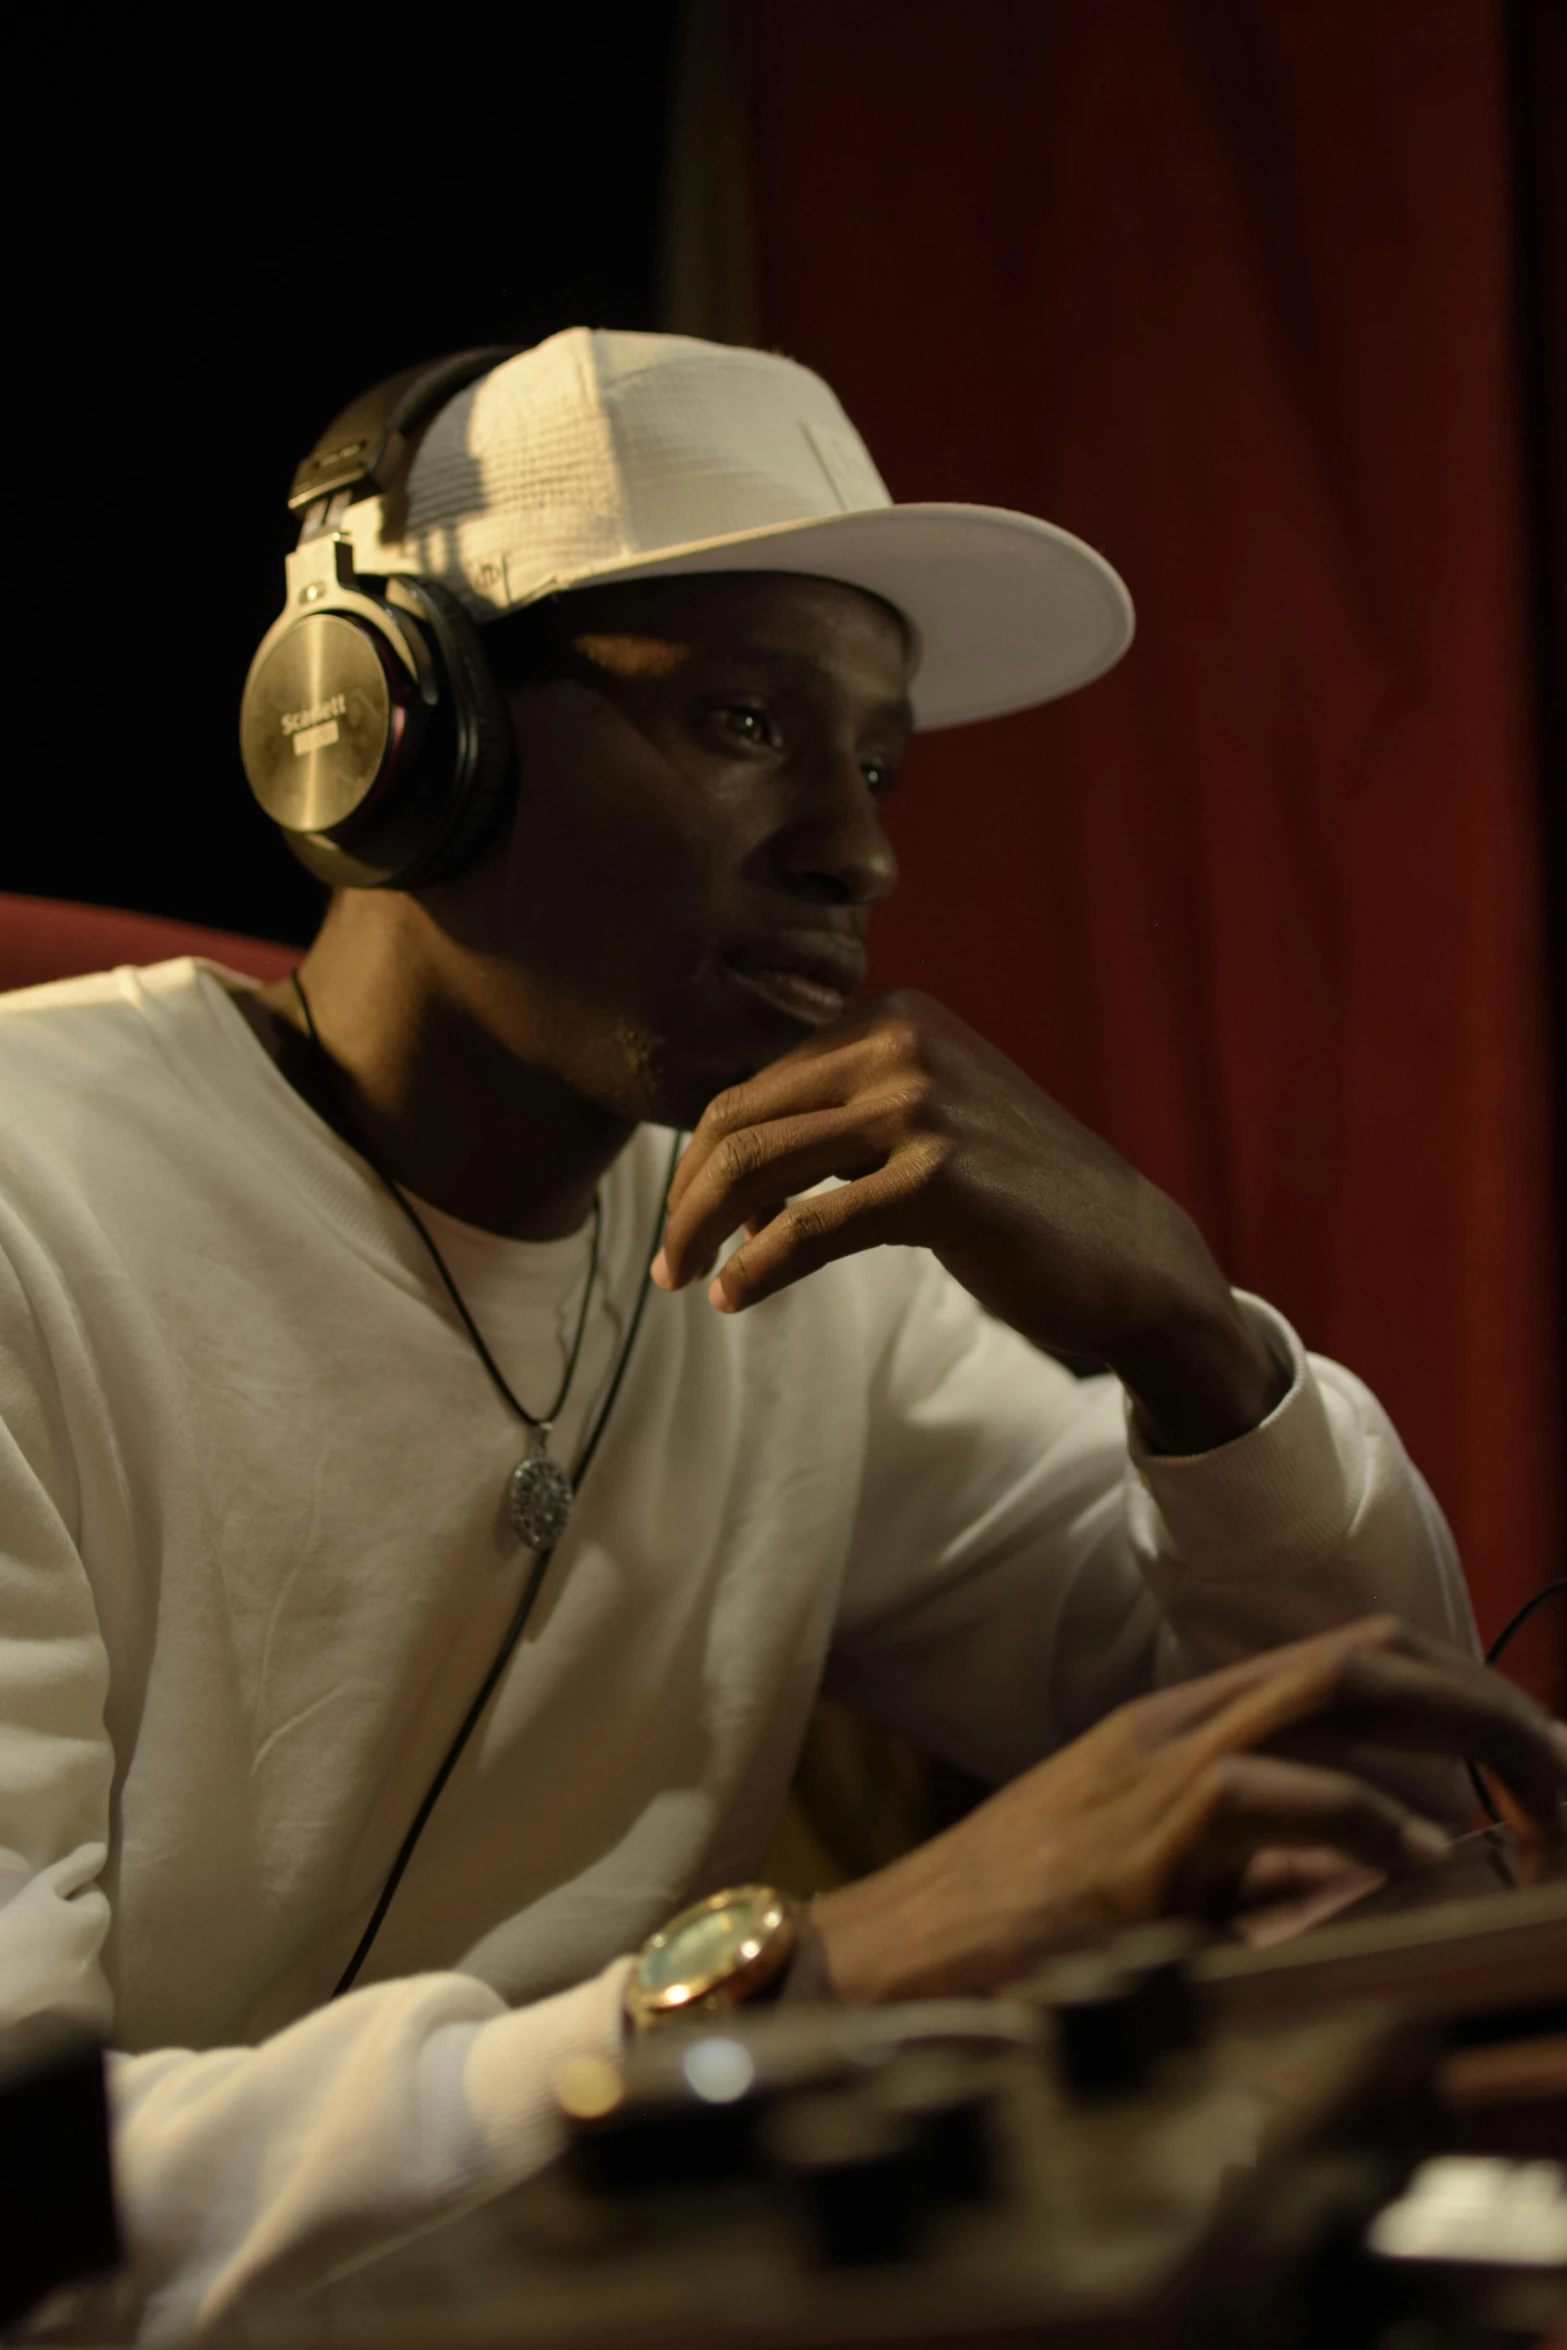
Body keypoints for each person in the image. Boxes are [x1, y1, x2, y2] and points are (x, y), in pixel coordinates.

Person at [1, 328, 1558, 2339]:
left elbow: (1373, 1794)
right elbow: (26, 2190)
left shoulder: (793, 1273)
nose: (864, 845)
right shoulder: (37, 1201)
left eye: (880, 759)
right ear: (384, 737)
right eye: (745, 720)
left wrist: (1189, 1334)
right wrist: (802, 1982)